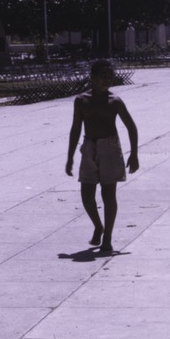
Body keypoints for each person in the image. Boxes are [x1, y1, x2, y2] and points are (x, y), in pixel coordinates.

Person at [66, 59, 139, 253]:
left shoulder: (114, 101)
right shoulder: (81, 100)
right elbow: (75, 129)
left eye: (110, 77)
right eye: (103, 76)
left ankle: (107, 236)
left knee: (109, 194)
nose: (107, 80)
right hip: (89, 147)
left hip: (110, 147)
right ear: (92, 77)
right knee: (87, 194)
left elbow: (131, 127)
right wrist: (70, 157)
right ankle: (98, 225)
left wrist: (134, 154)